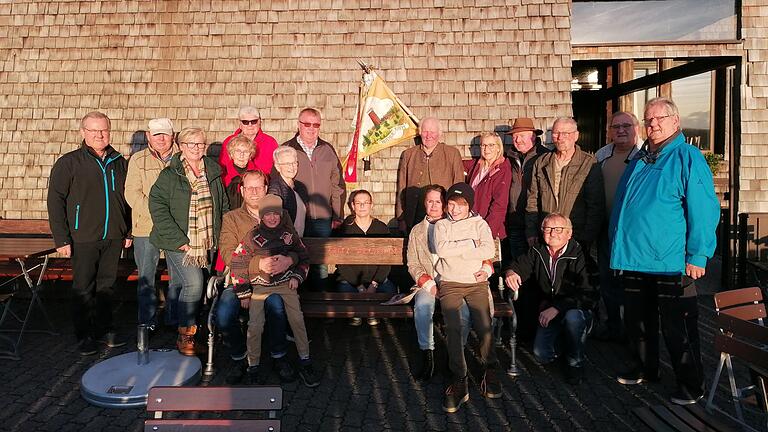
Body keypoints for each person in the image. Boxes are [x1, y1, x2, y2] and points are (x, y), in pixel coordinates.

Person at [610, 97, 720, 405]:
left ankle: (690, 383)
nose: (653, 124)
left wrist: (698, 254)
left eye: (659, 118)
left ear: (675, 121)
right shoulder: (642, 157)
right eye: (648, 119)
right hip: (634, 258)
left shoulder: (686, 156)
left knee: (678, 327)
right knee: (638, 321)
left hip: (670, 262)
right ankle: (645, 367)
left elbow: (704, 208)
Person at [47, 111, 131, 356]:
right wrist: (61, 238)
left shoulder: (119, 162)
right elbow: (56, 200)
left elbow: (127, 200)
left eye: (103, 130)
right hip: (82, 237)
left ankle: (105, 329)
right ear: (83, 132)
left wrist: (127, 230)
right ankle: (84, 335)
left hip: (113, 235)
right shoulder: (70, 162)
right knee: (84, 287)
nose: (99, 135)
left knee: (107, 286)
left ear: (109, 131)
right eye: (93, 130)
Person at [149, 127, 229, 356]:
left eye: (201, 144)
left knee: (190, 285)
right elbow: (157, 207)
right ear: (181, 146)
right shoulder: (170, 174)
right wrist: (180, 240)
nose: (196, 148)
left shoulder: (212, 172)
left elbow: (222, 205)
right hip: (179, 241)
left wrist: (222, 236)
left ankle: (180, 324)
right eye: (191, 144)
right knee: (193, 284)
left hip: (207, 241)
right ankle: (186, 335)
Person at [228, 194, 320, 388]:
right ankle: (253, 365)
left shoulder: (288, 236)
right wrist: (243, 291)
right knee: (255, 325)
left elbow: (304, 258)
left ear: (281, 215)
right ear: (261, 216)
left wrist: (297, 276)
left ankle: (305, 359)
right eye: (267, 214)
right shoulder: (252, 236)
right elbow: (238, 262)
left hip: (286, 284)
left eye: (276, 214)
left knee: (297, 321)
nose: (272, 218)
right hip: (260, 286)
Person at [215, 170, 296, 384]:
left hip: (273, 281)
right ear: (241, 191)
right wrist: (257, 263)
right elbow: (228, 253)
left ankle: (279, 356)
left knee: (277, 307)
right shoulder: (231, 218)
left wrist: (291, 260)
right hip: (238, 281)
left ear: (266, 189)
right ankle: (239, 357)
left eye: (258, 187)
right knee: (223, 314)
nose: (254, 192)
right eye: (249, 188)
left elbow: (295, 246)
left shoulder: (282, 215)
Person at [504, 213, 596, 385]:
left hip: (574, 308)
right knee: (541, 355)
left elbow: (588, 293)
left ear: (569, 233)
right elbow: (517, 265)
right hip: (549, 310)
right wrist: (511, 272)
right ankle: (565, 341)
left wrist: (558, 307)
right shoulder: (538, 250)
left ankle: (575, 362)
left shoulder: (580, 253)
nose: (553, 233)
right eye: (548, 228)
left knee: (573, 318)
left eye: (558, 229)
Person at [435, 182, 500, 413]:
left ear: (469, 206)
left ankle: (489, 367)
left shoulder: (479, 223)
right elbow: (441, 250)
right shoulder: (441, 225)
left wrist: (460, 247)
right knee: (453, 328)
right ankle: (459, 377)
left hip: (476, 283)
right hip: (451, 282)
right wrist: (472, 243)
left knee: (484, 326)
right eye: (451, 204)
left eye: (460, 205)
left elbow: (488, 251)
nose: (454, 209)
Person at [406, 185, 471, 381]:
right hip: (428, 283)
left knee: (464, 312)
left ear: (445, 204)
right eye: (430, 201)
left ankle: (456, 356)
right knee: (423, 307)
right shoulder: (417, 231)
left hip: (453, 281)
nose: (434, 205)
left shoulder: (455, 226)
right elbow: (413, 263)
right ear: (425, 203)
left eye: (438, 201)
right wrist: (429, 285)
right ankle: (428, 355)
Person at [125, 117, 182, 332]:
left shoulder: (182, 159)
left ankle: (174, 318)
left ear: (172, 136)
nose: (161, 138)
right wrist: (158, 212)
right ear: (149, 136)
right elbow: (132, 193)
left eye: (165, 134)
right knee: (146, 276)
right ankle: (146, 321)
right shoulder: (138, 160)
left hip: (176, 228)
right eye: (156, 134)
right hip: (145, 227)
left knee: (178, 276)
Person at [280, 107, 345, 289]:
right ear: (299, 125)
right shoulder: (287, 148)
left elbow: (337, 184)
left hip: (323, 218)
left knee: (319, 263)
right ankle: (297, 303)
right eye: (307, 124)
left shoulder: (327, 149)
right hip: (295, 217)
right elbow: (279, 184)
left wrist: (337, 215)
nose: (311, 128)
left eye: (315, 124)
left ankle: (321, 304)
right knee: (294, 258)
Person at [592, 112, 641, 342]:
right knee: (607, 278)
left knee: (631, 283)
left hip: (633, 233)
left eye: (626, 125)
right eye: (616, 126)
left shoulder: (644, 156)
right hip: (605, 229)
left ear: (637, 128)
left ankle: (633, 330)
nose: (621, 130)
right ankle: (613, 325)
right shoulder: (602, 154)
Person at [526, 117, 604, 251]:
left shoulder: (589, 163)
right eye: (556, 133)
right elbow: (532, 199)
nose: (560, 137)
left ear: (576, 135)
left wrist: (587, 237)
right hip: (547, 235)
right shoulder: (542, 162)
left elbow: (595, 205)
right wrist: (531, 231)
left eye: (566, 133)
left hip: (576, 235)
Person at [335, 190, 396, 326]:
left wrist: (374, 284)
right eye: (358, 203)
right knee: (344, 293)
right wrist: (360, 286)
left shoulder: (381, 228)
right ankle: (361, 313)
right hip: (352, 281)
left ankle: (369, 313)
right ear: (353, 205)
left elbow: (386, 260)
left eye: (366, 203)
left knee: (390, 293)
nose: (362, 206)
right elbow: (342, 263)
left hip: (376, 280)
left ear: (371, 205)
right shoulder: (345, 229)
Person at [396, 117, 464, 233]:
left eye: (432, 132)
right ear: (420, 132)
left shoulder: (452, 154)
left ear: (440, 134)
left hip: (444, 216)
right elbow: (402, 187)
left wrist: (457, 216)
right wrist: (401, 218)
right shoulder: (409, 155)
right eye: (425, 131)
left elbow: (459, 185)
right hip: (415, 216)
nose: (428, 135)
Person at [505, 117, 551, 259]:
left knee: (537, 264)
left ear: (533, 135)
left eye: (522, 135)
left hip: (537, 222)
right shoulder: (508, 157)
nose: (518, 140)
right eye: (515, 136)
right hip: (515, 221)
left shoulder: (545, 157)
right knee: (517, 265)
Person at [465, 132, 512, 240]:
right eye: (483, 145)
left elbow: (499, 205)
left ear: (498, 148)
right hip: (472, 225)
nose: (486, 149)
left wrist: (487, 233)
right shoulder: (477, 165)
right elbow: (455, 162)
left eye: (491, 145)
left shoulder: (502, 170)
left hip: (488, 228)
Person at [219, 105, 278, 176]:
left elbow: (276, 169)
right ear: (240, 124)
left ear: (259, 122)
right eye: (245, 122)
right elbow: (222, 167)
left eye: (254, 121)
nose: (250, 125)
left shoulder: (270, 142)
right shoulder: (229, 141)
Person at [268, 146, 308, 236]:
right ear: (277, 167)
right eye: (287, 163)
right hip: (284, 241)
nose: (292, 167)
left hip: (300, 239)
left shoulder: (300, 186)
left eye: (294, 163)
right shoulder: (274, 188)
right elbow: (273, 220)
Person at [221, 134, 256, 209]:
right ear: (231, 154)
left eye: (246, 151)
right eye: (238, 151)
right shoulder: (223, 175)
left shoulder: (257, 175)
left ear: (250, 155)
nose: (241, 155)